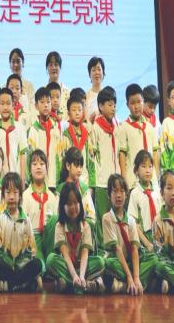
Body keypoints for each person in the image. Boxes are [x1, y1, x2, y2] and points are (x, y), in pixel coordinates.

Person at [45, 182, 106, 294]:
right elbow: (65, 255)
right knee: (51, 260)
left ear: (80, 204)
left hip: (82, 266)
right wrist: (74, 276)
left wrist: (81, 276)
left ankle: (68, 284)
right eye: (68, 204)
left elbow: (85, 254)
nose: (73, 207)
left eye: (75, 202)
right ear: (62, 206)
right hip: (67, 266)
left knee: (100, 262)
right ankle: (86, 285)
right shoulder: (59, 226)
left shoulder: (85, 226)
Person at [102, 174, 156, 294]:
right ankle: (136, 284)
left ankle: (126, 285)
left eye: (122, 191)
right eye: (114, 191)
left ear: (126, 194)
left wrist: (135, 277)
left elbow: (134, 249)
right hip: (118, 262)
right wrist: (130, 277)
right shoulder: (107, 218)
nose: (118, 195)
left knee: (153, 259)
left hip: (131, 262)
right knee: (107, 263)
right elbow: (117, 249)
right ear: (109, 195)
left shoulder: (131, 220)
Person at [0, 172, 43, 293]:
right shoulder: (0, 219)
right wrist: (9, 262)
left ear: (20, 195)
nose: (12, 197)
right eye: (8, 192)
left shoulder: (26, 220)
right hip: (6, 265)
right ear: (3, 195)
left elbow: (32, 249)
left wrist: (19, 264)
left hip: (22, 266)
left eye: (15, 192)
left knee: (37, 264)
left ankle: (11, 284)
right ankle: (22, 284)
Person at [89, 86, 119, 240]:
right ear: (101, 106)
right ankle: (102, 246)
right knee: (102, 216)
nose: (113, 108)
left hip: (115, 179)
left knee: (114, 215)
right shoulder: (96, 127)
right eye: (109, 104)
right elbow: (91, 156)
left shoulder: (116, 125)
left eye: (114, 104)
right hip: (101, 181)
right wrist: (93, 182)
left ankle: (115, 244)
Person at [117, 84, 159, 189]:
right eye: (132, 103)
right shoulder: (124, 127)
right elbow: (122, 155)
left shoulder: (150, 127)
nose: (136, 106)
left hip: (151, 181)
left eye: (139, 102)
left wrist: (156, 176)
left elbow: (155, 153)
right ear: (127, 105)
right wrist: (124, 179)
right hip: (133, 181)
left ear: (143, 101)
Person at [22, 150, 58, 263]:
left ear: (46, 169)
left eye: (42, 164)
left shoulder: (52, 196)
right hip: (33, 238)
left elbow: (57, 226)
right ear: (29, 169)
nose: (38, 167)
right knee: (39, 265)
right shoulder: (25, 196)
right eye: (34, 164)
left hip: (49, 238)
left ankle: (51, 259)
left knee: (55, 219)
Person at [28, 87, 63, 190]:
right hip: (38, 180)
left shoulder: (56, 128)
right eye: (42, 102)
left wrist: (60, 177)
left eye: (48, 102)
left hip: (54, 179)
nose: (46, 105)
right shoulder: (34, 130)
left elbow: (60, 154)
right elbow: (30, 156)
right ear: (36, 106)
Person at [127, 151, 161, 253]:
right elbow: (133, 223)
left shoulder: (157, 191)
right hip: (145, 237)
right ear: (136, 170)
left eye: (150, 167)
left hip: (160, 235)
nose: (148, 170)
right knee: (153, 259)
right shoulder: (135, 193)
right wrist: (147, 244)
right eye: (143, 166)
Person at [0, 87, 28, 180]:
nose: (5, 107)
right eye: (2, 104)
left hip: (16, 179)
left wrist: (22, 182)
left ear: (13, 105)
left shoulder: (20, 128)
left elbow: (23, 157)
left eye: (8, 103)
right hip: (0, 180)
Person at [61, 94, 90, 188]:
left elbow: (91, 161)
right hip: (69, 182)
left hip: (85, 181)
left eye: (79, 110)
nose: (77, 113)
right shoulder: (65, 135)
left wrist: (91, 185)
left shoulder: (87, 135)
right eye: (74, 110)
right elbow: (63, 159)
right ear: (68, 113)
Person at [45, 52, 70, 120]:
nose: (53, 67)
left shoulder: (68, 93)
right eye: (50, 65)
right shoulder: (42, 92)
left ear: (60, 67)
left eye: (56, 64)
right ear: (47, 68)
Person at [85, 57, 105, 122]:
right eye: (93, 70)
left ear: (103, 73)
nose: (96, 72)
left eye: (99, 69)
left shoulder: (109, 95)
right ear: (89, 74)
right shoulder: (85, 96)